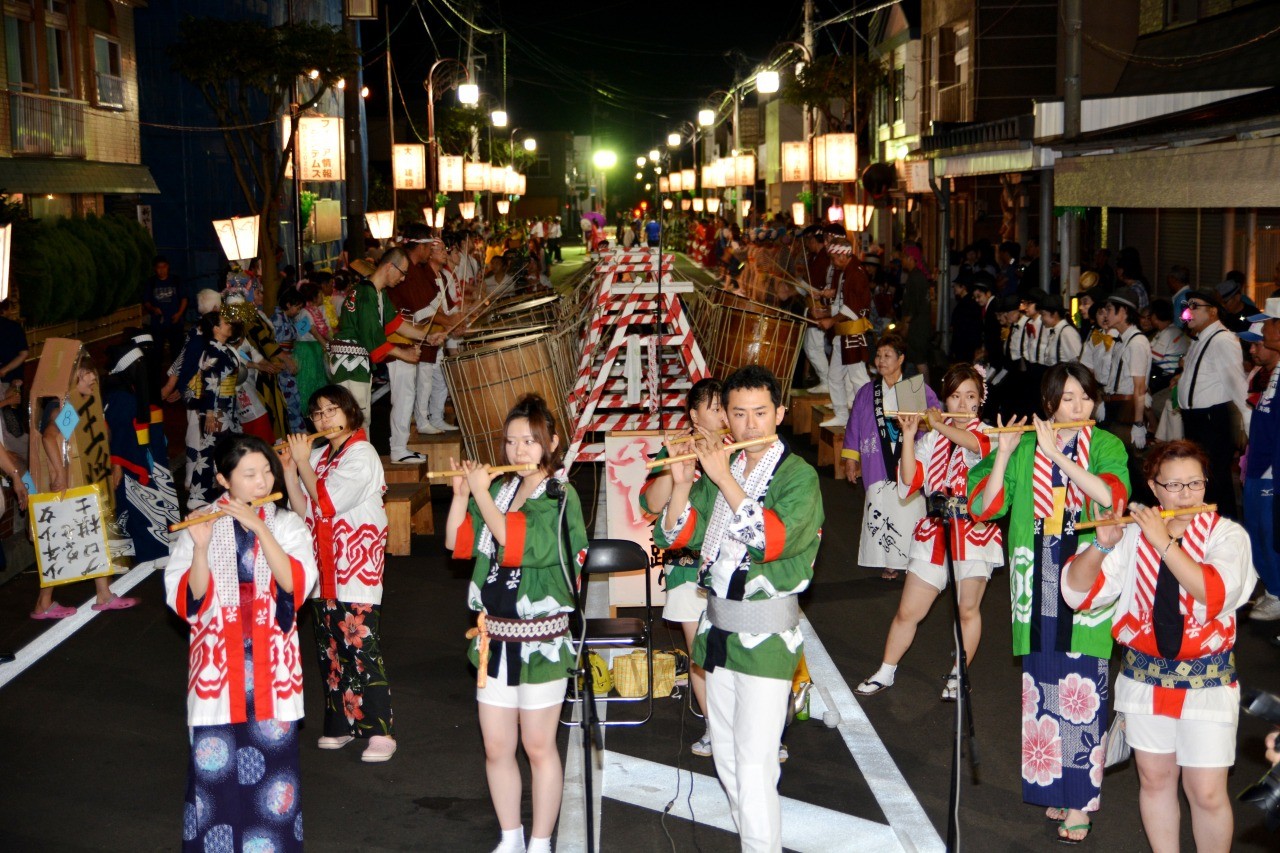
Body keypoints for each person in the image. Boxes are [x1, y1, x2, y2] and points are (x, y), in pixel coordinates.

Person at [654, 365, 823, 853]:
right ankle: (755, 840)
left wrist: (722, 476)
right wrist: (683, 482)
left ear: (780, 414)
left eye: (761, 414)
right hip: (718, 629)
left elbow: (771, 540)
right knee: (728, 757)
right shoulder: (722, 467)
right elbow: (677, 535)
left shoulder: (798, 475)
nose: (750, 425)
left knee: (753, 764)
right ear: (725, 417)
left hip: (767, 636)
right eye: (739, 414)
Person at [1063, 441, 1256, 853]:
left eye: (1195, 483)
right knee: (1154, 780)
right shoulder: (1132, 535)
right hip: (1144, 680)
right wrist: (1100, 545)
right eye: (1174, 485)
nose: (1187, 495)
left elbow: (1213, 592)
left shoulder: (1228, 535)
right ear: (1154, 487)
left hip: (1208, 682)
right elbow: (1078, 593)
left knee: (1205, 791)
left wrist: (1165, 543)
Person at [968, 363, 1130, 843]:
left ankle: (1081, 801)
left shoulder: (1105, 445)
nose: (1077, 407)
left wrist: (1063, 459)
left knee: (1082, 692)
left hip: (1085, 580)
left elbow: (1110, 496)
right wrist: (1002, 455)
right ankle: (1059, 790)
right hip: (1035, 577)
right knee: (1044, 688)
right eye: (1067, 399)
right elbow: (983, 507)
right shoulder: (1026, 450)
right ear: (1050, 405)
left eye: (1085, 397)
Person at [445, 395, 588, 853]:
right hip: (494, 638)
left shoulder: (560, 496)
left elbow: (514, 541)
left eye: (530, 441)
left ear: (553, 442)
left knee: (538, 746)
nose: (519, 451)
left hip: (541, 641)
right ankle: (511, 836)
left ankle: (541, 840)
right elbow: (456, 542)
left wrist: (482, 495)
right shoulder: (504, 491)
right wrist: (464, 495)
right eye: (510, 442)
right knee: (496, 747)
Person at [164, 434, 318, 853]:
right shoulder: (202, 522)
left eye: (266, 470)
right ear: (223, 479)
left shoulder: (287, 523)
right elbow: (188, 601)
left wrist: (258, 528)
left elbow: (296, 584)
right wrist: (199, 550)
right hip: (218, 667)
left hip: (271, 666)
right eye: (249, 474)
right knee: (215, 777)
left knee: (274, 781)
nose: (262, 480)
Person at [856, 364, 1002, 699]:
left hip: (973, 533)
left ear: (981, 400)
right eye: (955, 396)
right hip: (934, 530)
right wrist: (909, 435)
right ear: (946, 399)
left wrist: (936, 423)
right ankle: (886, 671)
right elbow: (909, 483)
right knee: (908, 611)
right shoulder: (933, 437)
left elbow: (973, 445)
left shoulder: (990, 434)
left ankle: (957, 674)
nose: (963, 405)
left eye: (971, 397)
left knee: (967, 610)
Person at [282, 385, 396, 762]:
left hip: (355, 562)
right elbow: (303, 510)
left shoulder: (362, 454)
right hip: (323, 564)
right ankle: (341, 724)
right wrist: (289, 469)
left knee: (361, 646)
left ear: (350, 413)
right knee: (330, 650)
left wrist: (302, 464)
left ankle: (380, 730)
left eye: (333, 410)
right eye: (318, 413)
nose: (325, 419)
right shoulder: (316, 455)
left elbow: (327, 503)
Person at [638, 378, 725, 757]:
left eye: (728, 408)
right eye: (716, 408)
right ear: (693, 414)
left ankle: (759, 731)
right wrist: (676, 473)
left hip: (729, 566)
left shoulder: (737, 450)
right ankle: (714, 728)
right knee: (701, 653)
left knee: (737, 651)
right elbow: (652, 504)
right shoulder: (676, 448)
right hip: (688, 569)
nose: (724, 416)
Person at [31, 355, 141, 618]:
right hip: (70, 486)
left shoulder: (83, 404)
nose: (94, 377)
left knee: (91, 538)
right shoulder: (67, 407)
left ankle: (102, 594)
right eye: (86, 373)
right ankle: (43, 602)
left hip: (83, 485)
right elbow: (49, 437)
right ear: (72, 378)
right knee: (62, 544)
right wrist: (59, 473)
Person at [843, 334, 939, 580]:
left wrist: (929, 420)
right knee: (881, 506)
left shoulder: (913, 388)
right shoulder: (867, 392)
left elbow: (934, 422)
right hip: (877, 459)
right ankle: (888, 562)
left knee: (908, 511)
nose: (881, 360)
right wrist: (851, 459)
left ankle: (913, 559)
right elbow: (854, 426)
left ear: (901, 359)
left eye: (887, 356)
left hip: (908, 457)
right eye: (878, 355)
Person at [330, 248, 424, 427]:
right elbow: (373, 335)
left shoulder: (377, 293)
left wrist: (427, 335)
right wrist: (405, 355)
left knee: (358, 417)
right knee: (355, 419)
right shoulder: (366, 294)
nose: (403, 278)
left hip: (355, 361)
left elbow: (396, 324)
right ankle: (358, 455)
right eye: (402, 272)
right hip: (350, 362)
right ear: (390, 266)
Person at [103, 340, 179, 564]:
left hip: (137, 455)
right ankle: (151, 554)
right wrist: (117, 463)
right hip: (128, 459)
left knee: (141, 507)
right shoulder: (121, 397)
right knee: (142, 508)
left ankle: (148, 551)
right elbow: (118, 432)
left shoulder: (126, 391)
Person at [1177, 288, 1249, 518]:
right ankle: (1205, 528)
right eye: (1187, 307)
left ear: (1213, 311)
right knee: (1200, 478)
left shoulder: (1222, 340)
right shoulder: (1199, 339)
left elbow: (1237, 384)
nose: (1189, 312)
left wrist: (1247, 424)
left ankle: (1225, 529)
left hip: (1211, 419)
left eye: (1195, 306)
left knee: (1215, 480)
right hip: (1195, 419)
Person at [187, 310, 243, 510]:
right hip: (216, 409)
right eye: (225, 322)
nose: (229, 324)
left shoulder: (223, 349)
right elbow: (210, 383)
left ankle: (214, 491)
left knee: (219, 450)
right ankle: (200, 494)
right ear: (216, 329)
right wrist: (210, 412)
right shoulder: (212, 351)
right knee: (210, 450)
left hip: (226, 406)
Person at [816, 238, 873, 427]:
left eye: (833, 257)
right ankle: (842, 414)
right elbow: (843, 303)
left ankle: (870, 416)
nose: (832, 261)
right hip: (844, 332)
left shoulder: (855, 273)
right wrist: (826, 313)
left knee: (858, 377)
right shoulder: (846, 272)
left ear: (842, 254)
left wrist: (831, 320)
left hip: (853, 332)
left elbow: (854, 307)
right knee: (834, 376)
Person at [1101, 293, 1152, 452]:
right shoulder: (1122, 340)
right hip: (1115, 404)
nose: (1105, 314)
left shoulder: (1136, 342)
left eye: (1109, 310)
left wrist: (1138, 423)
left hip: (1126, 408)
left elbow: (1139, 386)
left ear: (1123, 312)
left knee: (1124, 457)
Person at [143, 255, 188, 385]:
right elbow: (146, 301)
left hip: (175, 323)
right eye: (159, 267)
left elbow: (184, 298)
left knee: (177, 352)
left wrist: (179, 314)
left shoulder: (176, 280)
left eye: (164, 267)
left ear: (168, 267)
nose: (162, 270)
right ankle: (156, 381)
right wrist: (153, 308)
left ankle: (178, 379)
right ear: (155, 269)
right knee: (157, 353)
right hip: (158, 325)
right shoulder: (151, 282)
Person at [900, 248, 932, 384]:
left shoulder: (916, 278)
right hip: (919, 326)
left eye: (904, 257)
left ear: (911, 258)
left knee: (920, 362)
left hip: (918, 328)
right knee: (914, 363)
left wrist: (905, 325)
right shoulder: (915, 276)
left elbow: (914, 306)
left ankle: (930, 396)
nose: (902, 260)